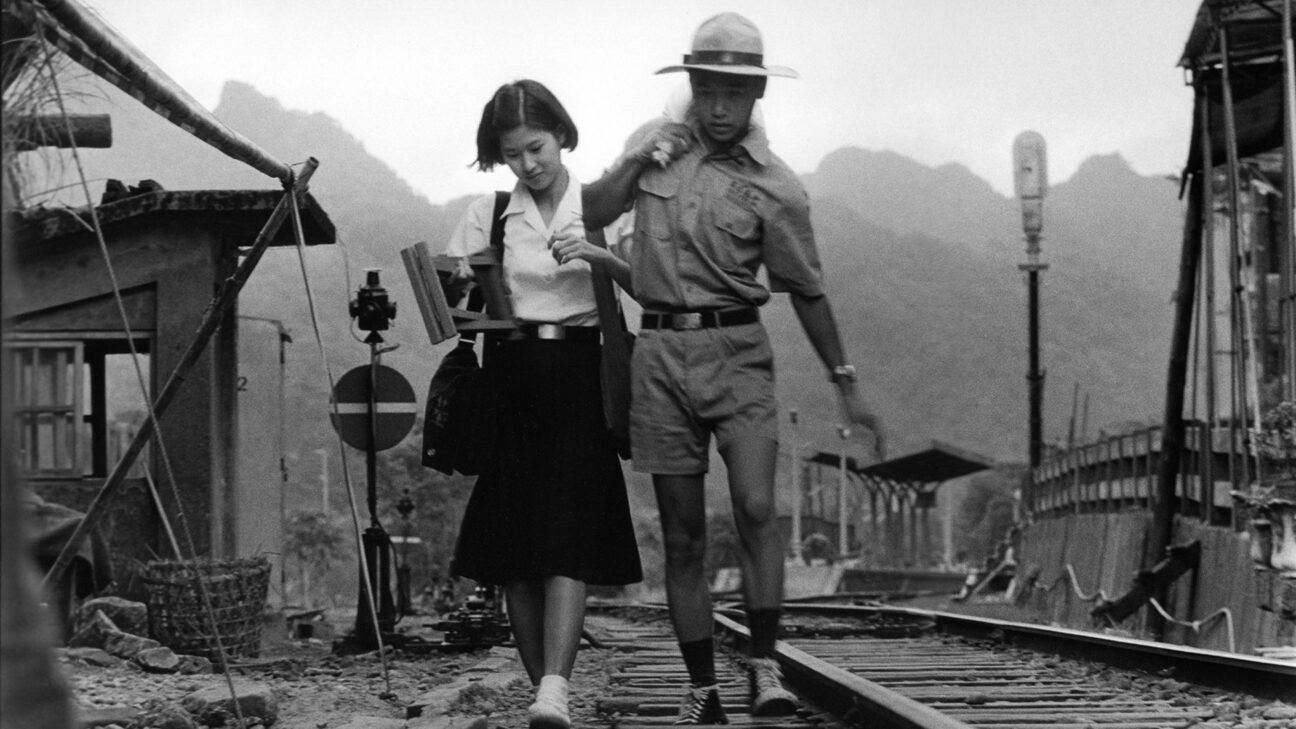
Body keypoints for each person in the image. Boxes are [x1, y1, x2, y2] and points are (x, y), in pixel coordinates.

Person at [601, 13, 886, 724]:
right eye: (707, 90)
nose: (720, 107)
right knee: (683, 534)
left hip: (739, 355)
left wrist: (846, 384)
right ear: (692, 88)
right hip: (658, 355)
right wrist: (637, 161)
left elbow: (807, 289)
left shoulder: (778, 187)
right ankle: (702, 687)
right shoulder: (654, 147)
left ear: (758, 92)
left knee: (758, 508)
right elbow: (592, 209)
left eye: (734, 92)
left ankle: (764, 665)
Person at [443, 79, 687, 729]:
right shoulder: (490, 213)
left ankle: (556, 685)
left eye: (537, 147)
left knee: (566, 539)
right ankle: (544, 694)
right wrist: (461, 287)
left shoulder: (602, 206)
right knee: (515, 553)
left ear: (561, 135)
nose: (528, 164)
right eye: (512, 154)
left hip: (580, 377)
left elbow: (658, 290)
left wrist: (600, 256)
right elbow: (455, 312)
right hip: (511, 378)